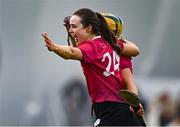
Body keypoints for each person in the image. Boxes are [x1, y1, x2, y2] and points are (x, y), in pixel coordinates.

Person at [42, 8, 141, 126]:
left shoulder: (94, 47)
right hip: (122, 110)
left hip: (111, 111)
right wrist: (135, 104)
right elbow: (130, 74)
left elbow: (73, 52)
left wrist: (54, 47)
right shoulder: (119, 48)